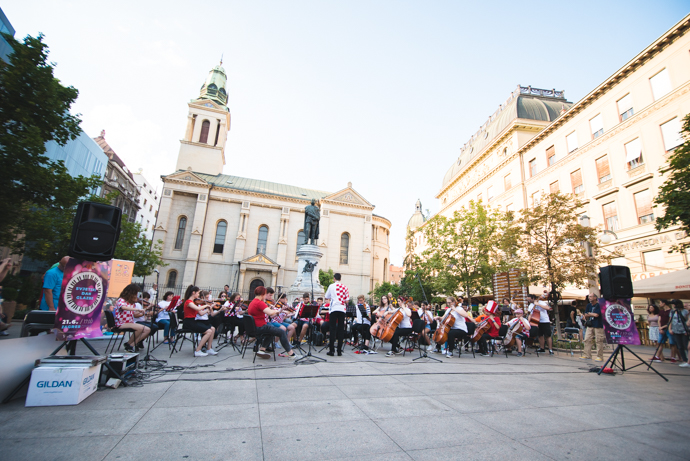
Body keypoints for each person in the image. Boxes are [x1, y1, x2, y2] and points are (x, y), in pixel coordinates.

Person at [247, 286, 302, 360]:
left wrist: (276, 311)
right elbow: (270, 313)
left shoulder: (252, 302)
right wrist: (276, 311)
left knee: (271, 331)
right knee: (281, 332)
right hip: (261, 326)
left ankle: (262, 350)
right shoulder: (260, 303)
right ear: (263, 294)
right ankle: (291, 354)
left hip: (254, 327)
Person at [115, 283, 151, 352]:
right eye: (135, 293)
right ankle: (129, 345)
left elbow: (134, 314)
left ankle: (130, 345)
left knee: (147, 330)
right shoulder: (121, 300)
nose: (136, 295)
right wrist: (138, 309)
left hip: (130, 322)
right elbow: (123, 307)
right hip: (121, 323)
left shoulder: (132, 303)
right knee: (141, 328)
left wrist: (145, 311)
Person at [182, 285, 217, 357]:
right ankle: (198, 350)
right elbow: (198, 309)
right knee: (209, 331)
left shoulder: (194, 302)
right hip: (189, 322)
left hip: (193, 321)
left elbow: (200, 312)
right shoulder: (189, 302)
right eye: (198, 293)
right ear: (193, 293)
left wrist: (208, 307)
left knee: (212, 329)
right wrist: (206, 306)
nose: (198, 295)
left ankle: (208, 348)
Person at [325, 273, 349, 356]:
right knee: (341, 329)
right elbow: (347, 300)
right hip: (342, 309)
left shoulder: (331, 286)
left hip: (334, 308)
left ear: (334, 278)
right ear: (340, 279)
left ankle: (331, 350)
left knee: (332, 329)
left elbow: (326, 296)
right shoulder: (345, 287)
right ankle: (339, 351)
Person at [581, 293, 605, 362]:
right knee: (587, 339)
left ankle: (599, 356)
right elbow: (586, 315)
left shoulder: (599, 305)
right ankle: (587, 355)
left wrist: (590, 314)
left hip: (598, 325)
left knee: (599, 340)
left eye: (591, 297)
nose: (589, 298)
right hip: (590, 325)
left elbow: (597, 315)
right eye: (589, 297)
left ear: (595, 298)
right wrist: (591, 314)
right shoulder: (588, 305)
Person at [668, 299, 689, 366]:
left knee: (686, 345)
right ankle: (684, 360)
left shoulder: (685, 311)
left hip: (684, 330)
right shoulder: (672, 311)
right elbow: (670, 320)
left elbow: (687, 320)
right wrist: (670, 329)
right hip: (675, 330)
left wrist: (687, 330)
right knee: (679, 346)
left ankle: (689, 360)